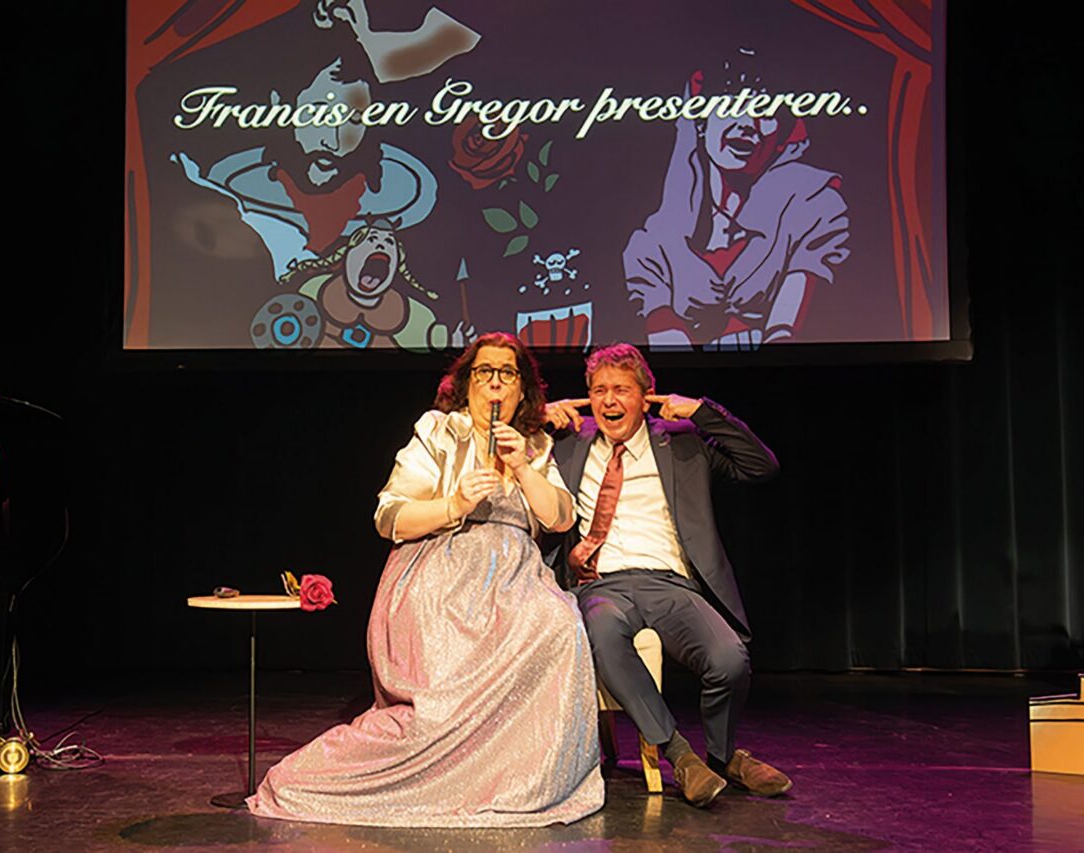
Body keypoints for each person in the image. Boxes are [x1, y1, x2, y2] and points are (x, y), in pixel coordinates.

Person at [249, 332, 603, 827]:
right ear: (467, 384)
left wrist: (523, 466)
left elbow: (560, 518)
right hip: (441, 570)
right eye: (484, 372)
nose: (495, 383)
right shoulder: (439, 431)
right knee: (436, 700)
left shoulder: (534, 445)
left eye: (507, 373)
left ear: (522, 389)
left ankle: (518, 780)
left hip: (515, 577)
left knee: (558, 625)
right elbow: (389, 516)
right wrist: (455, 503)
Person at [544, 342, 789, 807]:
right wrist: (537, 420)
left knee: (729, 660)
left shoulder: (682, 443)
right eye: (599, 391)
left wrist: (704, 412)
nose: (609, 401)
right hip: (601, 584)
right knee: (603, 633)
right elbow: (503, 461)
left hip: (670, 582)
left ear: (646, 396)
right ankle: (680, 756)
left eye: (622, 389)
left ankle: (721, 759)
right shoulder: (568, 443)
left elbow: (761, 466)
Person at [623, 52, 850, 350]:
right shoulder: (654, 243)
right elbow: (668, 344)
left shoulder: (813, 204)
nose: (748, 124)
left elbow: (783, 335)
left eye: (764, 111)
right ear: (701, 121)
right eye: (732, 106)